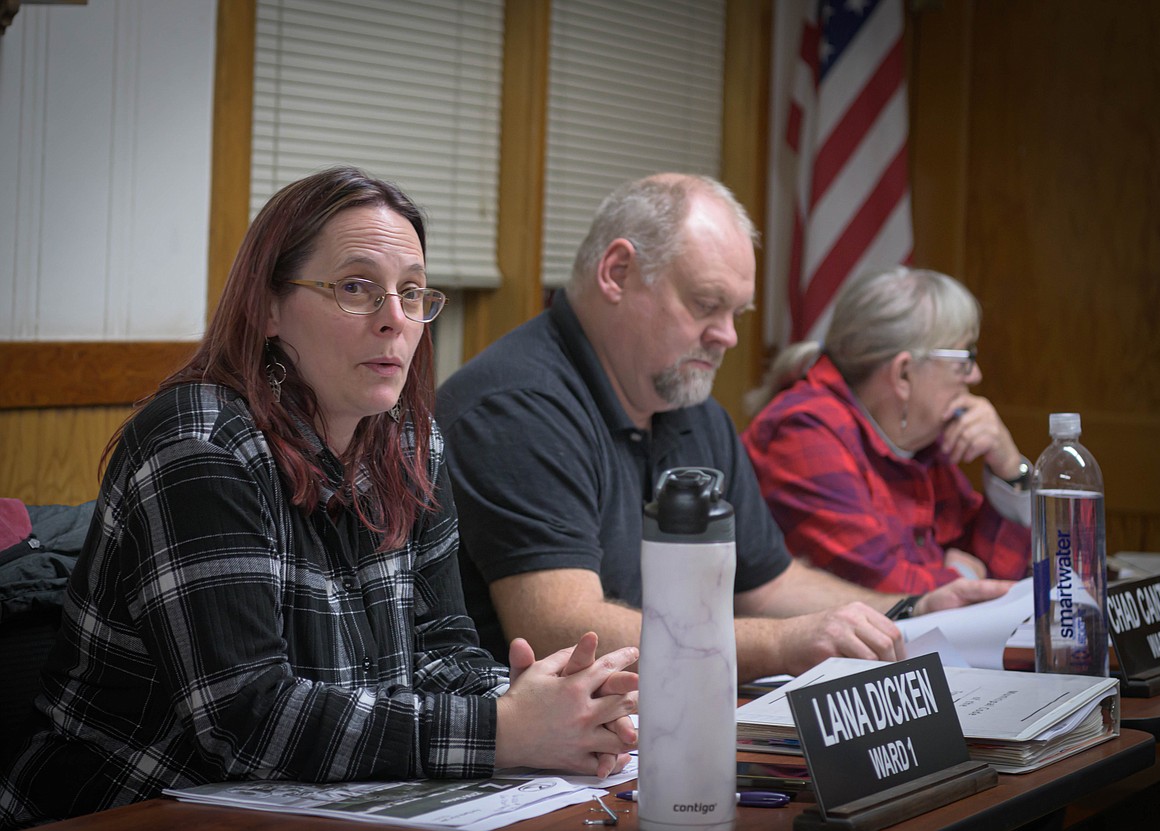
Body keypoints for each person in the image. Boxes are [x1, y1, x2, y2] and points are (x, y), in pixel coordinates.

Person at [0, 167, 636, 828]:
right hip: (125, 805)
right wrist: (501, 727)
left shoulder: (414, 441)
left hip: (326, 802)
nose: (395, 319)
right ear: (268, 307)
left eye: (412, 292)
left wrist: (551, 707)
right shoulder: (199, 444)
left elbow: (443, 647)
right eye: (356, 287)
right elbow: (247, 719)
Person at [435, 173, 1012, 686]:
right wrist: (780, 645)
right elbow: (561, 629)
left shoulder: (688, 405)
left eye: (737, 313)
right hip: (527, 761)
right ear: (617, 273)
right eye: (707, 304)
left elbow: (769, 584)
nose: (728, 337)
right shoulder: (515, 408)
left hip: (653, 721)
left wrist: (910, 609)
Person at [741, 267, 1031, 594]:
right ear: (903, 374)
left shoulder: (918, 440)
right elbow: (883, 591)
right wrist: (963, 573)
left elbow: (1005, 575)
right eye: (965, 358)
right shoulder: (801, 431)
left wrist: (1009, 470)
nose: (975, 375)